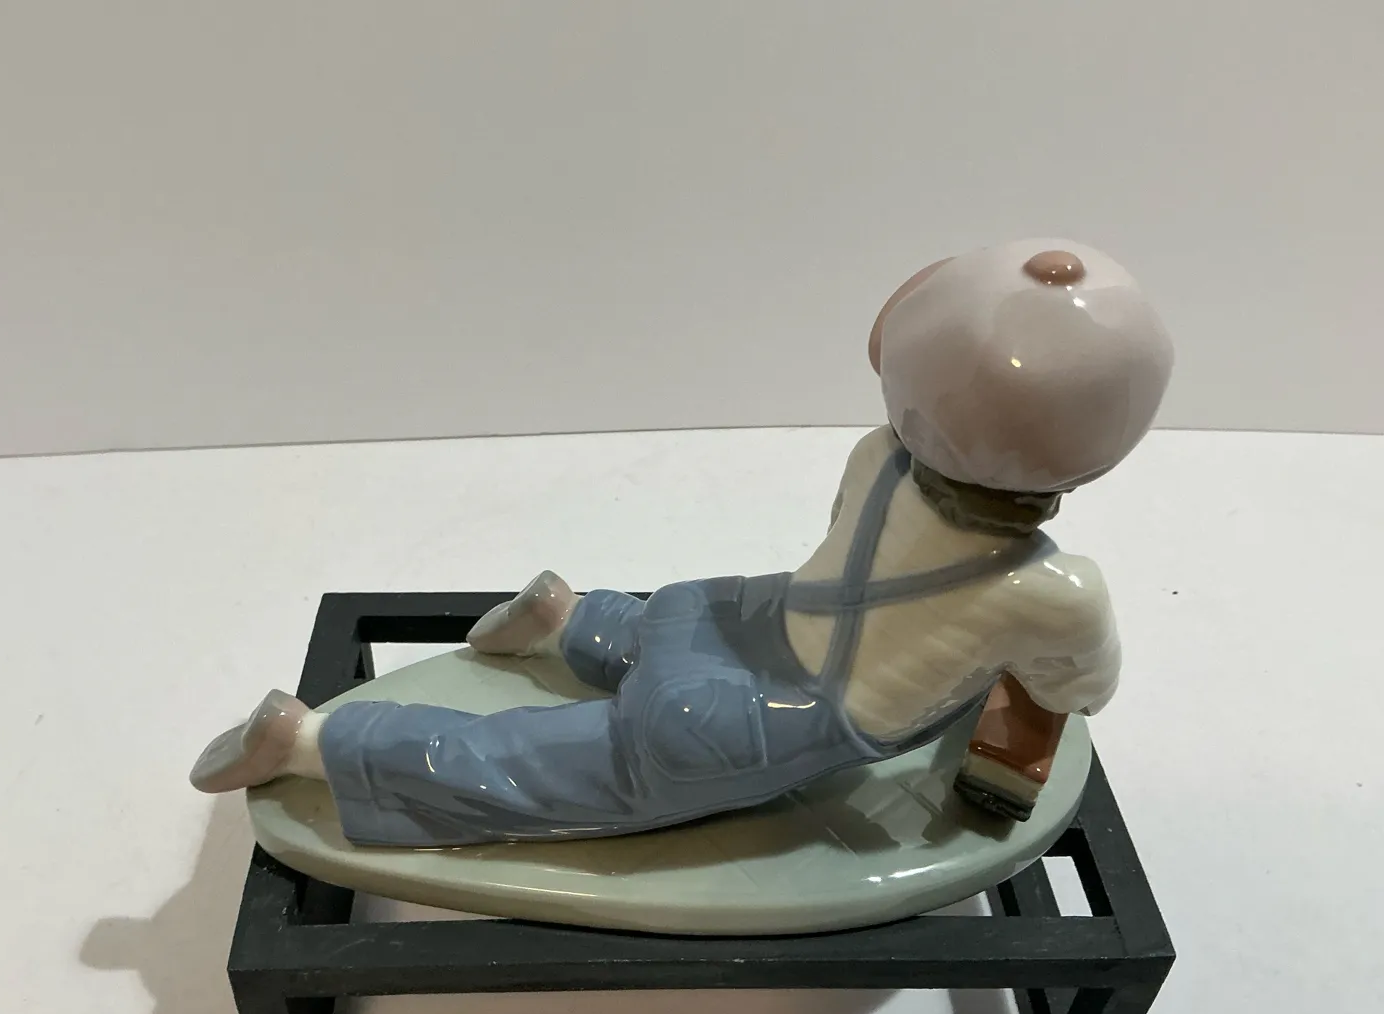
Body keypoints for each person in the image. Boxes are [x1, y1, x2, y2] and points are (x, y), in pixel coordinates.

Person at [190, 238, 1172, 845]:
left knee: (669, 625)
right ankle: (313, 742)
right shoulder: (1059, 592)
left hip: (736, 616)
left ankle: (572, 620)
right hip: (759, 718)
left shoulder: (877, 456)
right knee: (541, 770)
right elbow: (1081, 689)